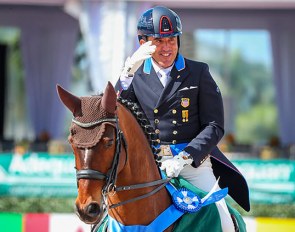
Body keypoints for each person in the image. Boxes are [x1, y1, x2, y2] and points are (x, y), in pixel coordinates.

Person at [115, 5, 249, 232]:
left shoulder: (198, 72)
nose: (167, 48)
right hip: (150, 165)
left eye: (171, 40)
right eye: (159, 41)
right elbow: (115, 110)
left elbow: (214, 126)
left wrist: (186, 157)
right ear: (143, 43)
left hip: (192, 164)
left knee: (223, 220)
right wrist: (126, 73)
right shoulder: (135, 76)